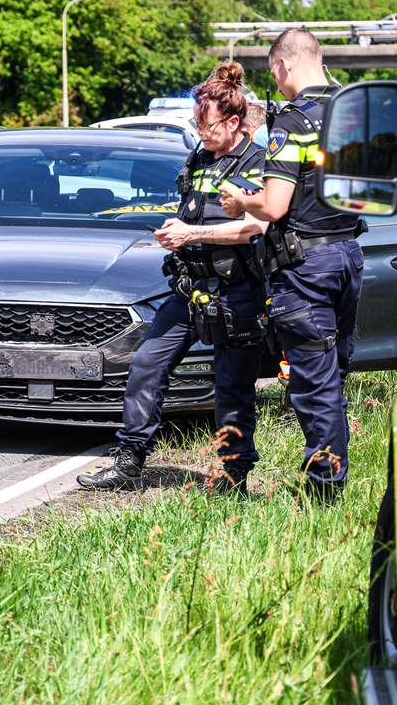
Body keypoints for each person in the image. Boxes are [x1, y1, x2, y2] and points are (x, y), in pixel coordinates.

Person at [78, 62, 271, 494]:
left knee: (232, 388)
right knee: (146, 365)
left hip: (236, 293)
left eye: (208, 125)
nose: (201, 133)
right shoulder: (200, 156)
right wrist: (175, 227)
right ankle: (129, 463)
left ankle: (233, 475)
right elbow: (191, 210)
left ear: (235, 121)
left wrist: (194, 233)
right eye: (196, 124)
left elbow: (256, 227)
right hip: (189, 290)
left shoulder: (258, 162)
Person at [218, 28, 364, 503]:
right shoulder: (352, 114)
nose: (277, 84)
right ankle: (331, 482)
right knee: (333, 378)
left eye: (275, 75)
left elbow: (276, 206)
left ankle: (324, 493)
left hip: (307, 267)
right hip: (349, 256)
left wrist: (243, 202)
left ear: (283, 66)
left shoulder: (293, 122)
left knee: (313, 386)